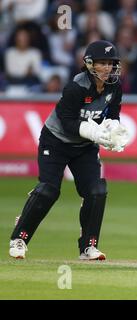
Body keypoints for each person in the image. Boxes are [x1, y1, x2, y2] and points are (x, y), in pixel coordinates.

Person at [9, 40, 130, 260]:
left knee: (96, 190)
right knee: (48, 190)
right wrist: (94, 132)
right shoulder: (76, 87)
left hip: (83, 148)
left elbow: (113, 113)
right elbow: (66, 122)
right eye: (102, 63)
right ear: (90, 64)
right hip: (55, 142)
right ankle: (19, 238)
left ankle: (88, 248)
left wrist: (113, 128)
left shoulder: (115, 86)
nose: (107, 68)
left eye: (111, 63)